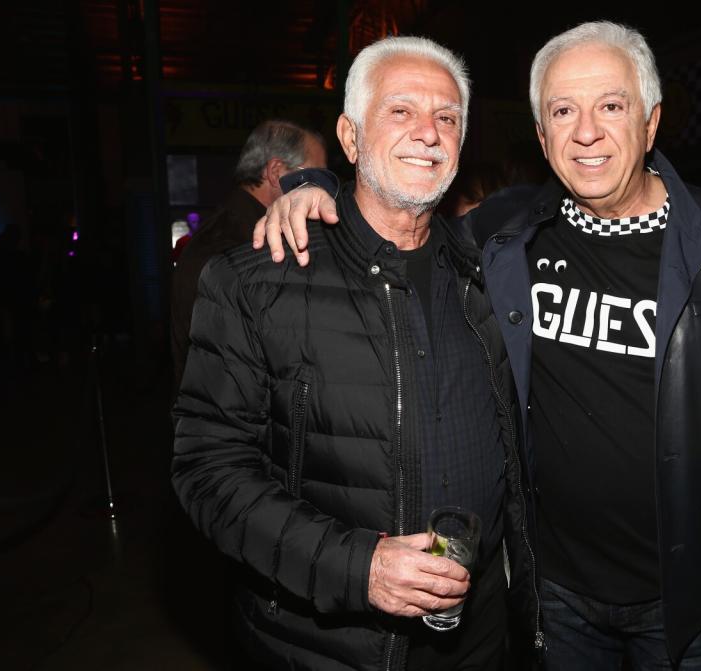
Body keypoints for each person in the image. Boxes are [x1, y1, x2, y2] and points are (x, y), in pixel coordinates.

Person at [257, 20, 701, 670]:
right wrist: (309, 187)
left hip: (688, 595)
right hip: (557, 594)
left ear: (651, 122)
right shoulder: (508, 231)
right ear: (542, 136)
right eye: (563, 110)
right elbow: (399, 209)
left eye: (611, 106)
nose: (586, 131)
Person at [172, 36, 537, 670]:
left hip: (481, 641)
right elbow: (208, 471)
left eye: (447, 117)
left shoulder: (491, 274)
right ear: (349, 136)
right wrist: (357, 567)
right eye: (401, 111)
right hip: (331, 648)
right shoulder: (258, 280)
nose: (428, 133)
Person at [169, 119, 327, 392]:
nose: (322, 191)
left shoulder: (233, 230)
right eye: (315, 177)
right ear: (277, 172)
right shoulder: (241, 246)